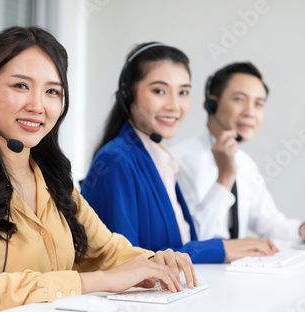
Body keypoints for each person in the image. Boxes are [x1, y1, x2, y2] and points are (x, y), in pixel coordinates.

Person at [0, 27, 197, 312]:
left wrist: (157, 262)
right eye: (21, 86)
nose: (37, 106)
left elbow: (109, 251)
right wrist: (97, 281)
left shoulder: (57, 186)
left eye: (52, 91)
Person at [81, 43, 278, 265]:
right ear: (128, 94)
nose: (174, 106)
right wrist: (220, 249)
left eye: (183, 92)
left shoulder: (159, 158)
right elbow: (127, 263)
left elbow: (178, 244)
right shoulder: (116, 160)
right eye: (159, 91)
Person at [171, 62, 305, 243]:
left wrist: (304, 229)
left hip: (234, 269)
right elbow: (192, 239)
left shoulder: (245, 163)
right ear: (211, 104)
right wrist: (225, 177)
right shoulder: (179, 162)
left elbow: (270, 224)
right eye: (239, 99)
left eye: (258, 104)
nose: (250, 112)